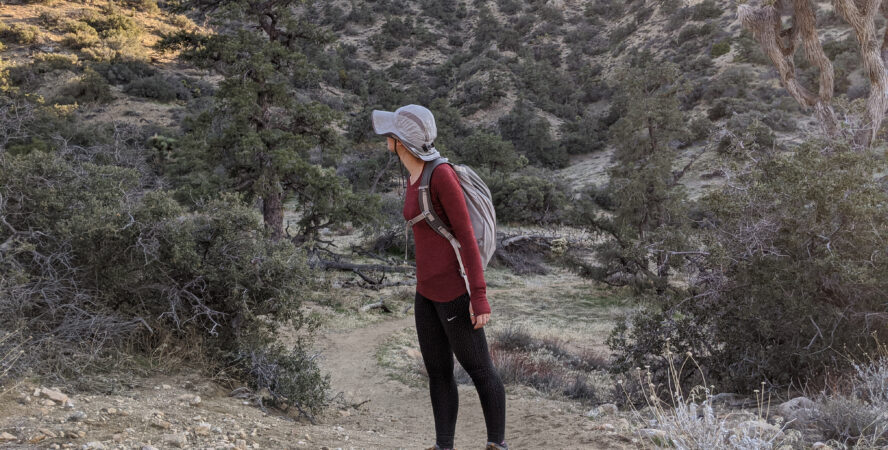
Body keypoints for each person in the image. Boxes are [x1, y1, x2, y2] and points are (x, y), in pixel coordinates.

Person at [372, 105, 508, 450]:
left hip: (455, 292)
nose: (385, 137)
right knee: (438, 373)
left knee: (480, 371)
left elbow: (465, 236)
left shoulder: (441, 174)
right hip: (427, 292)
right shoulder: (413, 173)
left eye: (391, 133)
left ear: (400, 141)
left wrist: (479, 295)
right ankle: (443, 445)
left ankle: (497, 445)